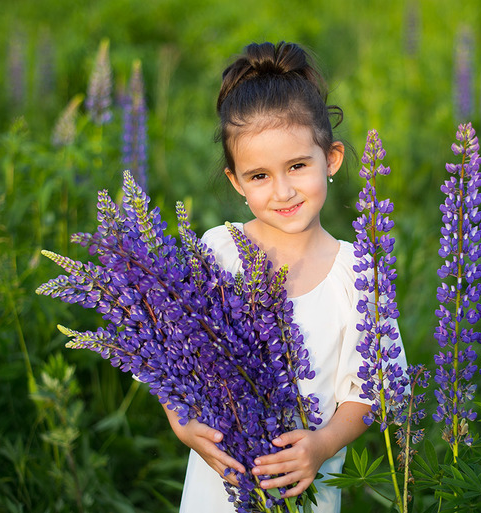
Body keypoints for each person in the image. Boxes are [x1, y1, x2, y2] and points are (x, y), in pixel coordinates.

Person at [161, 41, 405, 513]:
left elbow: (368, 391)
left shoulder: (359, 274)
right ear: (235, 182)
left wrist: (321, 445)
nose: (283, 191)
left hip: (303, 489)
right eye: (259, 176)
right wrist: (181, 424)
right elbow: (173, 351)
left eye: (297, 166)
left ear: (330, 159)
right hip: (220, 490)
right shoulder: (217, 251)